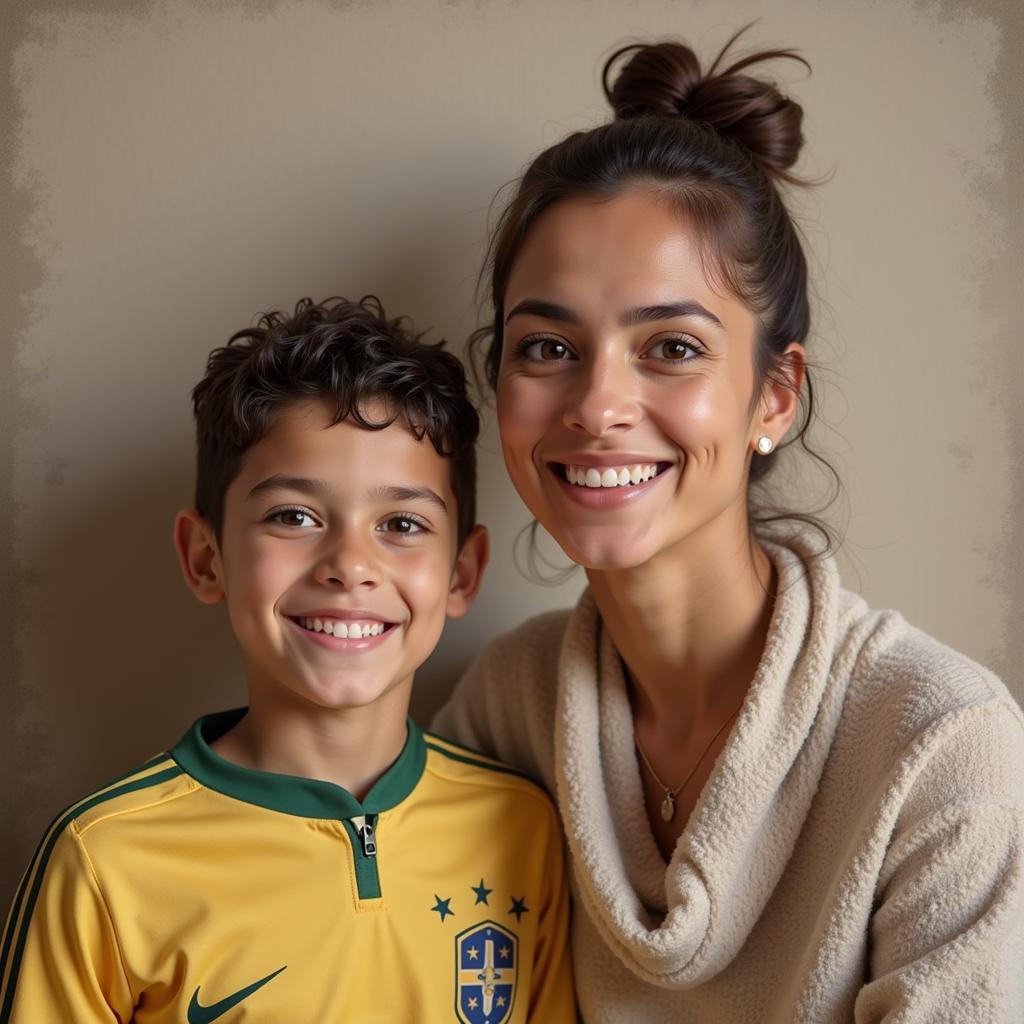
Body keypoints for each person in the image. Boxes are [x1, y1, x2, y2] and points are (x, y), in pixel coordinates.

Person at [433, 30, 1024, 1023]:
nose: (596, 405)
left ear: (774, 397)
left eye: (669, 346)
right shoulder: (506, 709)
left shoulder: (941, 742)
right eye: (547, 346)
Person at [0, 296, 575, 1022]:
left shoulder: (523, 828)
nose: (350, 565)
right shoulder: (102, 862)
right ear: (206, 558)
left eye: (401, 524)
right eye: (293, 517)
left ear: (461, 574)